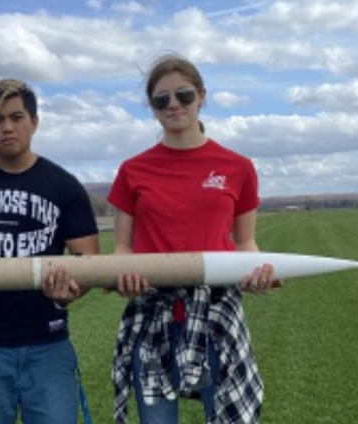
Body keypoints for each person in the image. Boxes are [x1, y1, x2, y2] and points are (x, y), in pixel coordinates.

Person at [108, 54, 280, 424]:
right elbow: (123, 248)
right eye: (161, 99)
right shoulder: (132, 170)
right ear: (152, 107)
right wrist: (123, 277)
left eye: (183, 95)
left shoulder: (238, 167)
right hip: (153, 313)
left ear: (201, 96)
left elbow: (245, 242)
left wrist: (257, 273)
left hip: (217, 309)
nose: (173, 105)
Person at [0, 78, 99, 424]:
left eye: (16, 117)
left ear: (34, 122)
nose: (7, 127)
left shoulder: (64, 186)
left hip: (49, 346)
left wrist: (69, 294)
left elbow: (89, 265)